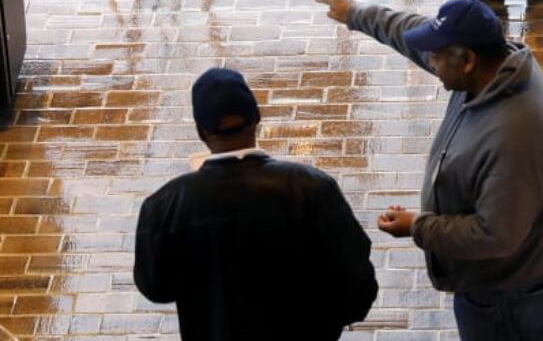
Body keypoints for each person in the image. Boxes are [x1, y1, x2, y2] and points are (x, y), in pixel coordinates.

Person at [316, 0, 543, 341]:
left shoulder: (512, 137)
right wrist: (358, 14)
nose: (430, 62)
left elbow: (497, 235)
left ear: (466, 60)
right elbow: (413, 34)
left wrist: (417, 226)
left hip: (506, 292)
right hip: (495, 280)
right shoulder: (492, 69)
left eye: (436, 56)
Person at [133, 68, 377, 341]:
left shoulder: (164, 206)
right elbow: (356, 287)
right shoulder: (314, 189)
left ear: (201, 132)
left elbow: (156, 287)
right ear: (256, 118)